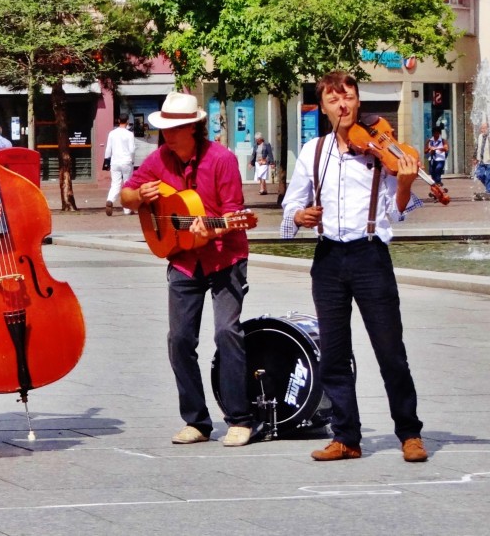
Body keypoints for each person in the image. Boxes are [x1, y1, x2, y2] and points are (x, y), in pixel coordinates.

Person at [281, 70, 427, 463]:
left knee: (389, 350)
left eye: (348, 97)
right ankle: (346, 436)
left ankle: (409, 433)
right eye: (333, 99)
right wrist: (300, 217)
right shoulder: (313, 151)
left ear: (358, 101)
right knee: (333, 353)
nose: (342, 105)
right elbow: (290, 205)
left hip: (369, 255)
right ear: (324, 107)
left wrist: (404, 184)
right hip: (328, 257)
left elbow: (397, 216)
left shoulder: (381, 151)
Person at [120, 92, 260, 448]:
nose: (167, 134)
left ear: (193, 128)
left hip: (224, 256)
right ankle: (196, 420)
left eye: (175, 128)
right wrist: (139, 197)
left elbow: (234, 213)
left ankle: (240, 419)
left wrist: (216, 227)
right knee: (179, 339)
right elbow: (125, 196)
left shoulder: (222, 159)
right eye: (164, 128)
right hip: (182, 257)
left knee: (227, 332)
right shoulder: (158, 159)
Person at [104, 114, 136, 216]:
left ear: (118, 120)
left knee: (115, 184)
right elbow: (132, 149)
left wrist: (106, 160)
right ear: (127, 121)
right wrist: (132, 160)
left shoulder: (112, 133)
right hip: (126, 161)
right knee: (127, 184)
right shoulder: (129, 134)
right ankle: (127, 209)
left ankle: (110, 200)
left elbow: (108, 148)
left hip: (115, 162)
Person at [424, 126, 449, 194]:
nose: (436, 135)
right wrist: (429, 149)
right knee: (433, 175)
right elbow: (425, 151)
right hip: (432, 159)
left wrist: (437, 149)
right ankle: (437, 187)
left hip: (440, 159)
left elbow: (446, 149)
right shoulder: (429, 141)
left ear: (439, 134)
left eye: (437, 134)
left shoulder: (442, 140)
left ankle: (438, 186)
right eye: (435, 134)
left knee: (438, 170)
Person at [474, 122, 490, 200]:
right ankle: (489, 188)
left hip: (489, 160)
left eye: (484, 128)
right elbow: (477, 147)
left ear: (488, 129)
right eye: (481, 128)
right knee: (479, 174)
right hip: (481, 160)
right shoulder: (480, 136)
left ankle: (488, 191)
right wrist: (475, 158)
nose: (482, 130)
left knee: (488, 176)